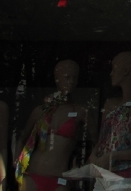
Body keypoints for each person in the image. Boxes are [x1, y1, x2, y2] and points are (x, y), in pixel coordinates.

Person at [14, 60, 90, 191]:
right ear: (57, 79)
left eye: (75, 78)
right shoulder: (41, 111)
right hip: (33, 174)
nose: (71, 82)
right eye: (67, 77)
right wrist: (17, 160)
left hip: (60, 177)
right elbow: (22, 137)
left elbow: (96, 142)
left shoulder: (81, 112)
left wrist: (83, 167)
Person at [88, 52, 131, 177]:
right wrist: (93, 156)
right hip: (102, 174)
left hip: (125, 176)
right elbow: (102, 139)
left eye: (114, 69)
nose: (111, 74)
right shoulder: (110, 105)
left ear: (125, 71)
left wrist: (113, 156)